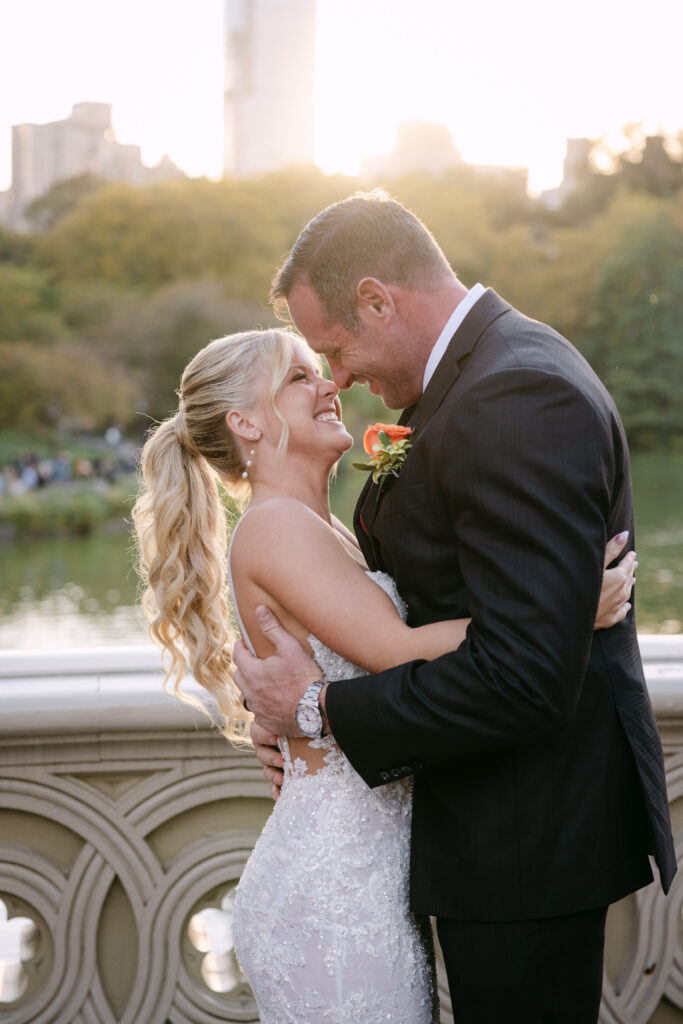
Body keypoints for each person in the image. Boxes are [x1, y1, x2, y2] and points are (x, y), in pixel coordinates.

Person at [232, 191, 676, 1024]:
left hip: (522, 838)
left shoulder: (512, 396)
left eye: (334, 348)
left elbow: (523, 675)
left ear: (377, 299)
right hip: (480, 829)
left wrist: (320, 713)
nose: (337, 378)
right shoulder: (475, 382)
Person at [132, 327, 634, 1024]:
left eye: (320, 371)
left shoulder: (331, 525)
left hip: (369, 876)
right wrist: (566, 608)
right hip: (332, 893)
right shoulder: (276, 527)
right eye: (299, 378)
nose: (329, 385)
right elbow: (396, 650)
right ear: (244, 422)